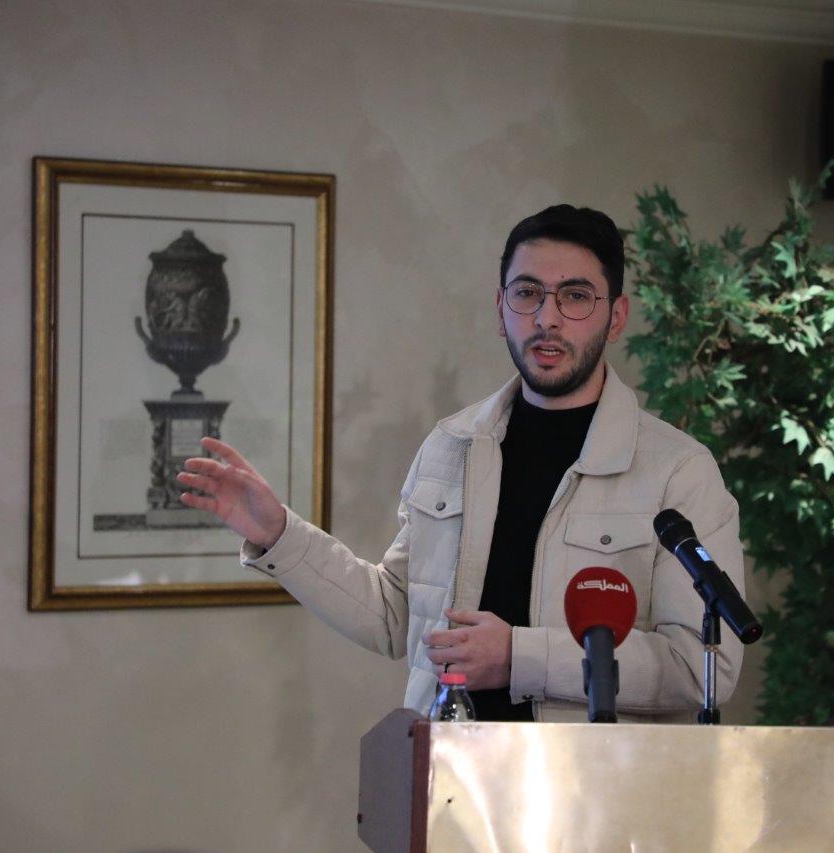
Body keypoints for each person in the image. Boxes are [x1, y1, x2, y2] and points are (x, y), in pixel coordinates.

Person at [178, 205, 745, 723]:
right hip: (450, 778)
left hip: (586, 789)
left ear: (615, 317)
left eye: (575, 296)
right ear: (501, 310)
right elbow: (396, 618)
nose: (547, 318)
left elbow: (702, 668)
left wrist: (519, 658)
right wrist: (278, 534)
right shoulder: (451, 446)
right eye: (527, 293)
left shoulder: (677, 472)